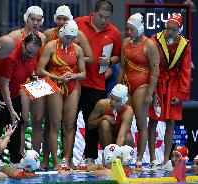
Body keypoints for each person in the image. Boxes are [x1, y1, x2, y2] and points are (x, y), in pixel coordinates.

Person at [41, 5, 93, 169]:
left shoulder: (77, 48)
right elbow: (39, 69)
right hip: (55, 84)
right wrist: (57, 77)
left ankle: (67, 160)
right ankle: (54, 161)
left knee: (70, 124)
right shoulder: (50, 43)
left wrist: (74, 76)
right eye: (67, 38)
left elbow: (84, 72)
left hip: (72, 86)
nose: (70, 41)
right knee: (54, 124)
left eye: (72, 38)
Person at [75, 0, 122, 165]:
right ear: (93, 12)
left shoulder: (114, 32)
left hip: (96, 84)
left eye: (107, 18)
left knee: (92, 124)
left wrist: (109, 61)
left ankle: (90, 157)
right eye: (101, 16)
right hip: (75, 83)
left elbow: (117, 57)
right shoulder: (78, 23)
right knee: (69, 121)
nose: (103, 20)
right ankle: (66, 158)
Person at [0, 34, 43, 165]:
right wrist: (11, 110)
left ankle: (15, 160)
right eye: (27, 52)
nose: (29, 56)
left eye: (33, 54)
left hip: (15, 93)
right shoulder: (10, 57)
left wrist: (32, 76)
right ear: (22, 44)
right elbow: (4, 85)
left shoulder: (32, 55)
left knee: (16, 126)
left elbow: (28, 69)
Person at [148, 13, 191, 168]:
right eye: (167, 28)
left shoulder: (185, 45)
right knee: (153, 120)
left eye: (173, 30)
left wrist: (181, 94)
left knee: (170, 121)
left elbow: (186, 71)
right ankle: (153, 158)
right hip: (157, 82)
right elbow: (150, 67)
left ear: (179, 30)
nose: (169, 32)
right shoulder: (155, 40)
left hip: (173, 84)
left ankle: (166, 159)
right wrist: (152, 92)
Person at [117, 13, 160, 170]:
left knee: (141, 124)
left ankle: (140, 159)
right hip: (127, 84)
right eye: (128, 28)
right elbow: (122, 65)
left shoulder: (149, 45)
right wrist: (118, 86)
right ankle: (124, 156)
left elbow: (155, 70)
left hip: (142, 86)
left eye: (132, 29)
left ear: (140, 28)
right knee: (124, 122)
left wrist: (150, 93)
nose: (129, 32)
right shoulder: (125, 42)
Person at [87, 84, 134, 148]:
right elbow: (89, 125)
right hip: (106, 138)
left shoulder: (128, 111)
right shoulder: (102, 104)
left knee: (128, 138)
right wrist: (103, 117)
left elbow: (121, 135)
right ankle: (108, 152)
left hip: (122, 139)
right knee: (104, 123)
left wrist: (116, 153)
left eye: (117, 101)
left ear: (124, 101)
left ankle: (121, 156)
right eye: (112, 98)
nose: (113, 102)